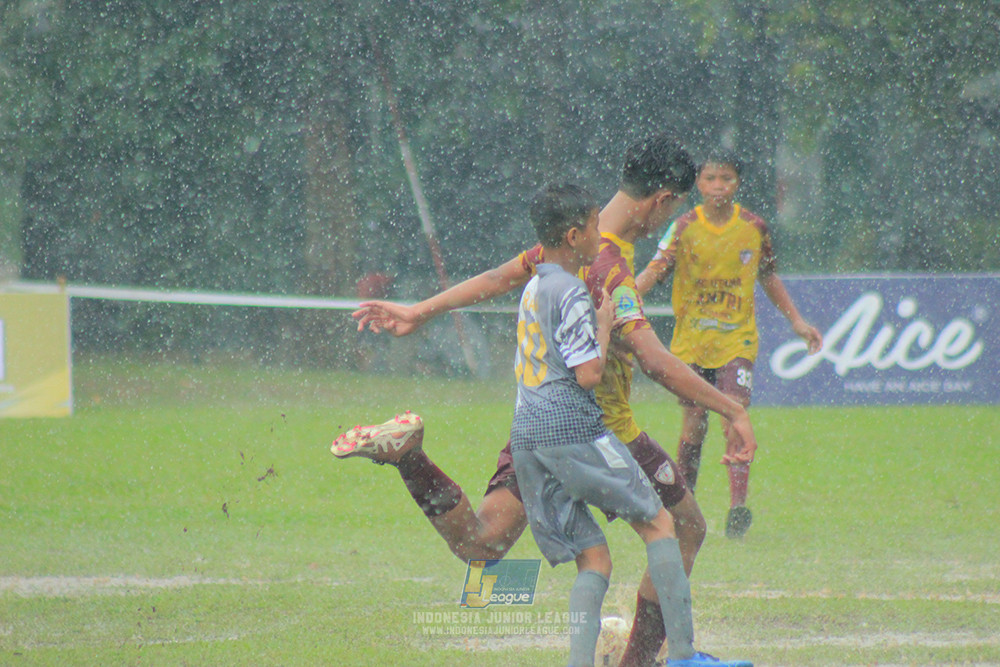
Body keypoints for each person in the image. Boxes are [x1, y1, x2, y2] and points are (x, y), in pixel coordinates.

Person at [337, 134, 757, 667]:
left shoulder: (561, 243)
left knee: (483, 544)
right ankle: (651, 662)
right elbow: (654, 361)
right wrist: (733, 409)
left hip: (534, 426)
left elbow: (498, 277)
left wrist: (420, 311)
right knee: (682, 526)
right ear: (664, 201)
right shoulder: (609, 264)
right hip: (599, 431)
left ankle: (411, 459)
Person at [507, 182, 751, 667]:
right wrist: (602, 325)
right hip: (570, 431)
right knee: (663, 524)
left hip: (525, 435)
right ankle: (683, 657)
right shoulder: (573, 290)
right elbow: (589, 374)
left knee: (593, 558)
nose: (602, 234)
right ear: (574, 235)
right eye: (595, 226)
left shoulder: (534, 286)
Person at [634, 150, 823, 539]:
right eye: (711, 179)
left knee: (734, 415)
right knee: (694, 422)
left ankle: (738, 507)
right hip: (691, 343)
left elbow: (768, 276)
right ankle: (686, 504)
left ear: (737, 184)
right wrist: (623, 298)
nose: (719, 187)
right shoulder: (684, 226)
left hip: (738, 339)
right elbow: (656, 268)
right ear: (698, 185)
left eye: (727, 179)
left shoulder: (754, 227)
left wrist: (797, 320)